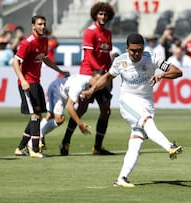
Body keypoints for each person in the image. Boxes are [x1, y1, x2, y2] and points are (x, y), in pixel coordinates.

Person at [81, 33, 183, 188]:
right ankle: (169, 147)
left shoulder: (152, 58)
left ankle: (121, 178)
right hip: (127, 102)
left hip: (146, 103)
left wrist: (162, 75)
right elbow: (107, 77)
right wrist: (91, 90)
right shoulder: (120, 61)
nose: (136, 54)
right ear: (127, 48)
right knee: (146, 121)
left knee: (136, 141)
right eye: (133, 50)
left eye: (140, 50)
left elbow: (177, 71)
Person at [60, 1, 115, 156]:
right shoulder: (90, 32)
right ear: (95, 15)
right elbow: (89, 56)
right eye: (100, 14)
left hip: (102, 76)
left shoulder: (108, 34)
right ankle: (65, 142)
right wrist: (97, 72)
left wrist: (109, 74)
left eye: (105, 14)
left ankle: (97, 147)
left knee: (106, 110)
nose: (103, 17)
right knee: (82, 109)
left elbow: (107, 57)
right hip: (89, 75)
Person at [12, 15, 69, 158]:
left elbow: (45, 59)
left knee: (37, 115)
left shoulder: (44, 40)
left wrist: (59, 70)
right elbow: (15, 62)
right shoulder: (27, 42)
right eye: (39, 24)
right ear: (33, 26)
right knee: (35, 115)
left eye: (44, 24)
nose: (43, 27)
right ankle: (35, 149)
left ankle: (20, 148)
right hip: (27, 83)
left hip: (36, 83)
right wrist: (23, 80)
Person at [34, 73, 102, 150]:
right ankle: (36, 137)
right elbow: (69, 107)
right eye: (96, 80)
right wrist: (80, 124)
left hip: (60, 89)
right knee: (59, 119)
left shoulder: (88, 82)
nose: (98, 82)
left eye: (100, 80)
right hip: (57, 89)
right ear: (92, 77)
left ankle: (32, 138)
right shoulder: (79, 86)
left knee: (50, 116)